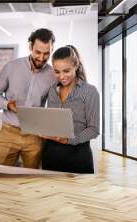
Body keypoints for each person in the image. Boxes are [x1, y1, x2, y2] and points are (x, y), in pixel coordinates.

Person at [0, 28, 56, 169]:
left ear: (52, 49)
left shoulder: (52, 75)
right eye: (38, 52)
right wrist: (7, 104)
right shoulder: (11, 67)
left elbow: (52, 106)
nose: (41, 58)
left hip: (35, 136)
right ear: (30, 46)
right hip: (9, 133)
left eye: (47, 53)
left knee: (31, 180)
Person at [42, 45, 100, 173]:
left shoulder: (89, 92)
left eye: (66, 71)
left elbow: (94, 130)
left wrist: (68, 140)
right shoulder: (52, 90)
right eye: (57, 72)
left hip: (78, 156)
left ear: (76, 65)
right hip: (50, 154)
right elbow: (51, 120)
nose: (61, 76)